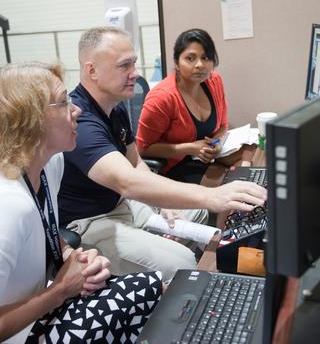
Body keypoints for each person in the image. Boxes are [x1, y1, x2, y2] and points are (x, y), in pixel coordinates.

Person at [0, 63, 163, 344]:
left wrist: (71, 258)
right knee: (150, 306)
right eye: (64, 102)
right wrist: (61, 290)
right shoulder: (5, 204)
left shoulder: (49, 165)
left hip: (31, 309)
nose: (77, 110)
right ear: (29, 120)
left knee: (153, 288)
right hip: (4, 333)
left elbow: (45, 232)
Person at [58, 26, 267, 280]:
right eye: (124, 66)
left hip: (123, 206)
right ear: (92, 70)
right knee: (183, 261)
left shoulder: (114, 106)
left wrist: (160, 202)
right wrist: (212, 195)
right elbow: (127, 181)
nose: (134, 74)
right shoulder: (81, 121)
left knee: (197, 214)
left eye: (134, 64)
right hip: (92, 222)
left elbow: (136, 162)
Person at [137, 28, 228, 184]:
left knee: (256, 155)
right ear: (177, 62)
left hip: (208, 158)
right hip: (175, 166)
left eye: (205, 57)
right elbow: (142, 148)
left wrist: (217, 143)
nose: (200, 65)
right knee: (234, 188)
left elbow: (223, 126)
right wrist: (191, 148)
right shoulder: (162, 98)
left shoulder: (214, 81)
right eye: (190, 58)